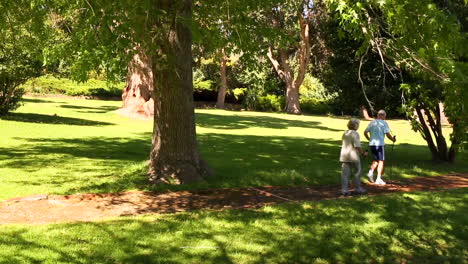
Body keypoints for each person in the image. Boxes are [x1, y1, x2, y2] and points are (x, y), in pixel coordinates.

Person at [364, 110, 396, 185]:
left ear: (378, 115)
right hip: (380, 144)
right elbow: (387, 134)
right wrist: (393, 140)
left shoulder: (372, 122)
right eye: (385, 116)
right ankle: (378, 178)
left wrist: (369, 139)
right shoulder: (384, 123)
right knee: (381, 161)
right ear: (383, 116)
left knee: (376, 160)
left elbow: (365, 132)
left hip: (372, 144)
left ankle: (370, 172)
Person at [339, 118, 368, 195]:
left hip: (344, 155)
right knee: (357, 172)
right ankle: (358, 188)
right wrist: (363, 153)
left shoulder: (345, 133)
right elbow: (357, 146)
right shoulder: (355, 133)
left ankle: (344, 190)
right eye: (358, 124)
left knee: (345, 174)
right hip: (353, 156)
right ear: (355, 125)